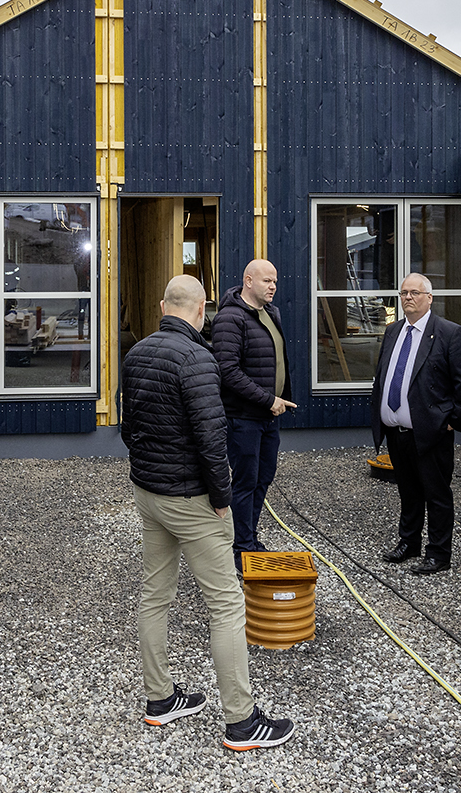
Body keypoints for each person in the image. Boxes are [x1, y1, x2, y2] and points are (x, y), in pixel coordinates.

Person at [120, 274, 296, 751]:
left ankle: (160, 699)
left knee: (155, 594)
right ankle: (241, 721)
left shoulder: (136, 352)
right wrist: (222, 500)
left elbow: (127, 427)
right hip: (192, 499)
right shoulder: (198, 358)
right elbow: (212, 440)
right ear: (201, 311)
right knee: (226, 604)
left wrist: (148, 472)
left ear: (163, 305)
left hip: (148, 493)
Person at [371, 272, 461, 575]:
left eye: (415, 293)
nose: (408, 298)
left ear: (429, 298)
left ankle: (439, 553)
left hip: (431, 432)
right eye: (404, 292)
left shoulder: (448, 333)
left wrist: (451, 421)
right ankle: (409, 543)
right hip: (396, 431)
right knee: (408, 490)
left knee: (437, 493)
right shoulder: (393, 331)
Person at [212, 259, 297, 569]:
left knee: (263, 478)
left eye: (275, 281)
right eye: (266, 281)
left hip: (268, 415)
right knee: (245, 481)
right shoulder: (230, 319)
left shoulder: (270, 314)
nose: (273, 286)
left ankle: (248, 537)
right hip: (243, 418)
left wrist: (277, 402)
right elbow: (227, 372)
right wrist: (267, 400)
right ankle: (240, 547)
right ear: (248, 281)